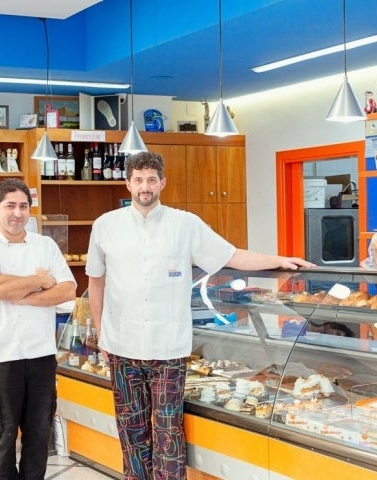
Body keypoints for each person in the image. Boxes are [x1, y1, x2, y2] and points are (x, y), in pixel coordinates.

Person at [85, 151, 314, 480]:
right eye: (138, 180)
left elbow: (230, 255)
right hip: (122, 346)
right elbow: (96, 283)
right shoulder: (105, 226)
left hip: (169, 348)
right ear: (128, 184)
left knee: (168, 433)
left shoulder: (185, 224)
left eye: (151, 180)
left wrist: (278, 259)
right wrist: (102, 332)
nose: (145, 186)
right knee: (131, 430)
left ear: (162, 183)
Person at [0, 178, 76, 480]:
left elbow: (68, 290)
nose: (17, 213)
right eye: (10, 206)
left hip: (41, 355)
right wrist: (39, 280)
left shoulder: (46, 245)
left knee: (39, 435)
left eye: (23, 206)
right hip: (0, 357)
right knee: (3, 435)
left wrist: (19, 291)